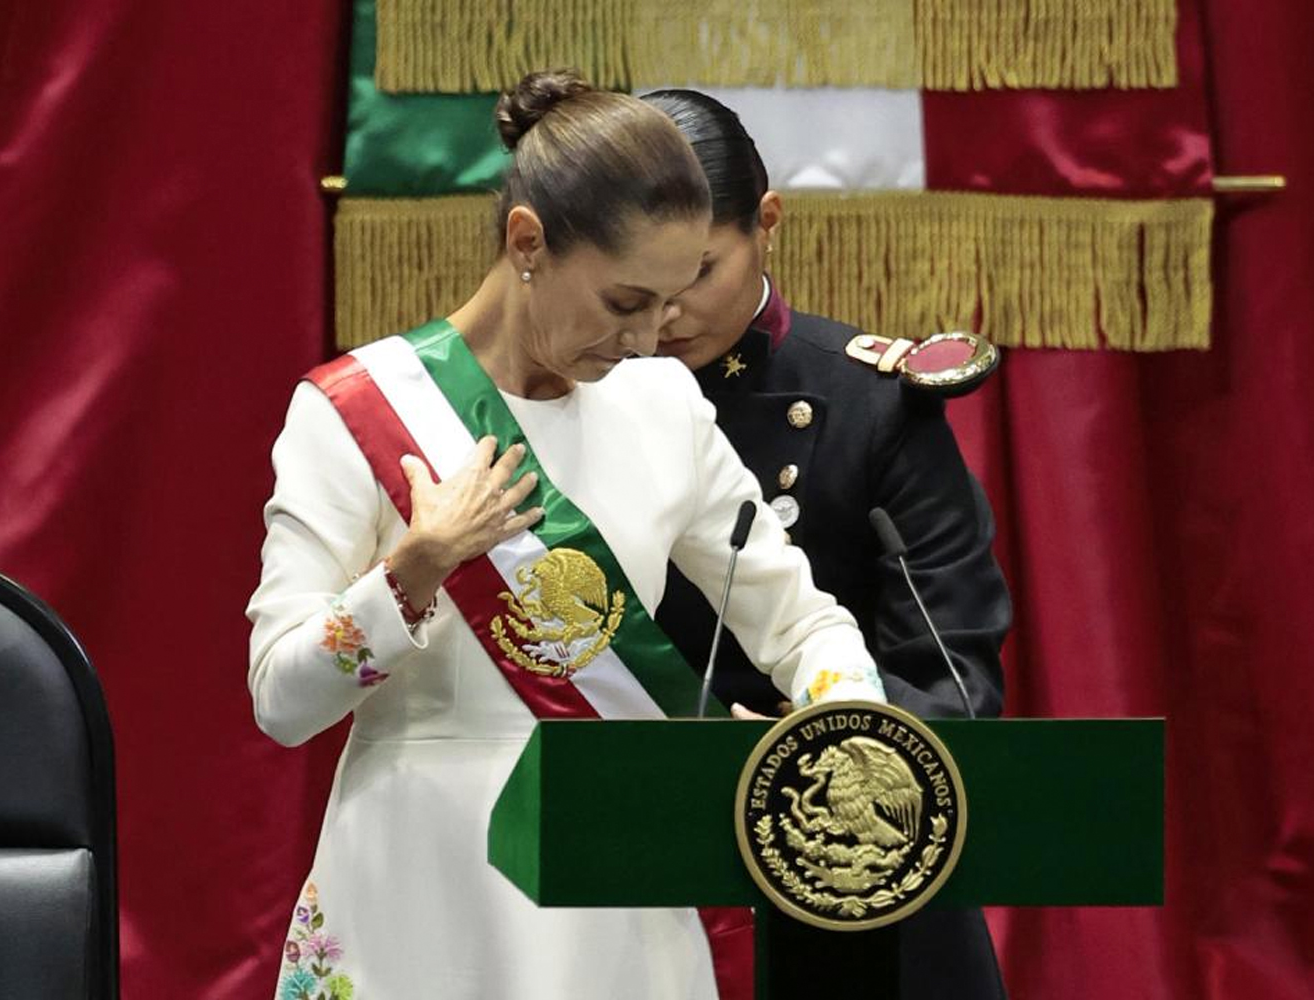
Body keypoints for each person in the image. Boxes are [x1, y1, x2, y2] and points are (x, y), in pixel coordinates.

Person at [248, 70, 888, 1000]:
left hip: (617, 886)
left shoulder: (662, 404)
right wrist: (413, 570)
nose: (647, 339)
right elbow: (281, 699)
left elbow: (801, 624)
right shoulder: (355, 413)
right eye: (625, 302)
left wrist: (842, 724)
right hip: (422, 886)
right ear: (527, 242)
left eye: (670, 304)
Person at [643, 88, 1013, 999]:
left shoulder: (872, 401)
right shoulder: (572, 403)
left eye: (699, 272)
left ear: (766, 224)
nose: (666, 312)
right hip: (634, 854)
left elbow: (952, 673)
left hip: (849, 864)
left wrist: (823, 746)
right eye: (638, 279)